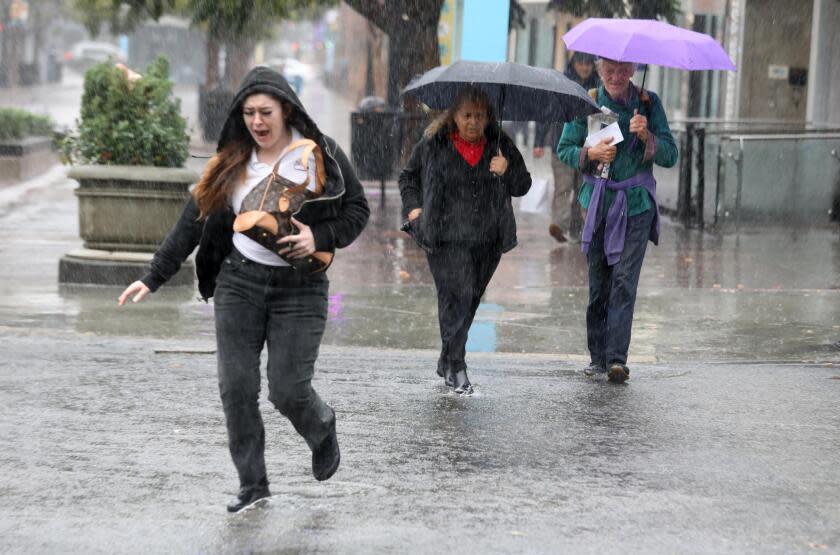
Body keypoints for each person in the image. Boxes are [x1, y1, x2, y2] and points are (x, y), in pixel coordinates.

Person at [117, 66, 370, 512]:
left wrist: (320, 236)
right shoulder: (232, 161)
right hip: (239, 283)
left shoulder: (320, 155)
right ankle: (253, 486)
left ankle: (320, 425)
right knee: (236, 388)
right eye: (249, 112)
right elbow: (190, 222)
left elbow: (357, 211)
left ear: (285, 109)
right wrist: (153, 274)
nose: (257, 121)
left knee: (287, 389)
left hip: (301, 287)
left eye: (266, 112)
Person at [399, 86, 531, 395]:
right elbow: (408, 177)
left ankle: (447, 357)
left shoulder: (500, 144)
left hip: (487, 238)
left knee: (470, 299)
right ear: (454, 115)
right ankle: (457, 366)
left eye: (479, 116)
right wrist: (415, 210)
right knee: (455, 296)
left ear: (488, 117)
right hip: (444, 235)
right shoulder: (434, 143)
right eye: (466, 115)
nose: (473, 122)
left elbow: (523, 184)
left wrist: (507, 170)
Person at [557, 57, 678, 384]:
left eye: (622, 69)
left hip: (636, 205)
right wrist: (590, 153)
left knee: (624, 281)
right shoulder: (589, 100)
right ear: (599, 70)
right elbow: (564, 148)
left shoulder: (649, 104)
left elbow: (671, 154)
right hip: (596, 204)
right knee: (600, 284)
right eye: (609, 69)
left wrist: (647, 137)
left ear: (633, 70)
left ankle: (616, 360)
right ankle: (597, 357)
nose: (615, 75)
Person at [534, 52, 600, 243]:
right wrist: (539, 141)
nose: (585, 67)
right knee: (563, 186)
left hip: (589, 148)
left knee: (582, 188)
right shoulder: (561, 83)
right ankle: (559, 225)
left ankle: (577, 230)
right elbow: (546, 113)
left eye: (588, 63)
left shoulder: (599, 86)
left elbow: (605, 114)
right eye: (581, 63)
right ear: (574, 63)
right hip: (561, 145)